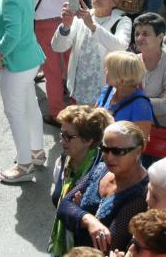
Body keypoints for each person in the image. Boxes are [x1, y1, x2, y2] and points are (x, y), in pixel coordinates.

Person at [0, 0, 46, 183]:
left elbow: (13, 35)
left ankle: (24, 165)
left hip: (16, 63)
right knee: (29, 106)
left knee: (15, 112)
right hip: (29, 60)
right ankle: (37, 152)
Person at [56, 120, 149, 253]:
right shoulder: (101, 169)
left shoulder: (141, 193)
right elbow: (64, 206)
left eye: (118, 151)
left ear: (138, 152)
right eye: (105, 149)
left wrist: (78, 212)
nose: (109, 157)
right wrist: (89, 220)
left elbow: (107, 244)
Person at [52, 0, 131, 106]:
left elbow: (121, 46)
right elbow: (58, 47)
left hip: (106, 89)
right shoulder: (81, 17)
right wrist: (65, 26)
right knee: (82, 124)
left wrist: (93, 26)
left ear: (115, 2)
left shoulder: (123, 20)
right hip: (81, 87)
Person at [25, 0, 75, 123]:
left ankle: (56, 112)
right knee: (72, 66)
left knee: (51, 71)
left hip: (42, 26)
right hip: (67, 20)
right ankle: (76, 106)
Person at [49, 105, 113, 256]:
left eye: (69, 136)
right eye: (61, 134)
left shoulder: (100, 170)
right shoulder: (64, 160)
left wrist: (82, 210)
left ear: (89, 140)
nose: (62, 141)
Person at [133, 14, 166, 131]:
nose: (139, 38)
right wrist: (156, 99)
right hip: (134, 125)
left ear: (160, 37)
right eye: (137, 34)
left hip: (161, 129)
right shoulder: (132, 61)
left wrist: (133, 100)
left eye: (145, 34)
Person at [95, 51, 154, 137]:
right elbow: (93, 117)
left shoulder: (141, 106)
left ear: (121, 76)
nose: (105, 72)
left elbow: (140, 143)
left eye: (108, 69)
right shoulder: (108, 89)